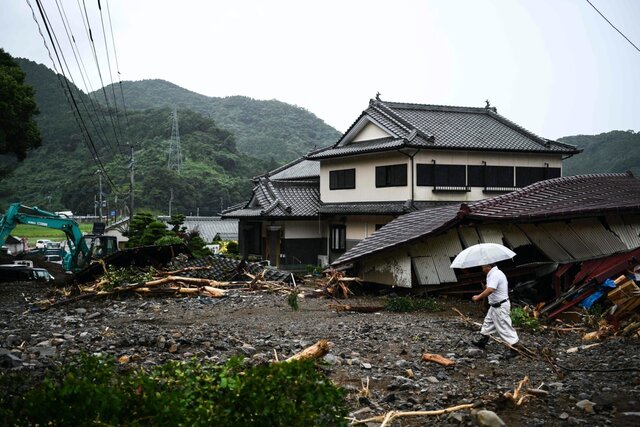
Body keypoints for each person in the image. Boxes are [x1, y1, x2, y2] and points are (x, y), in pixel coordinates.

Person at [471, 264, 519, 354]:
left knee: (504, 327)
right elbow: (489, 287)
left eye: (483, 267)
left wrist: (478, 297)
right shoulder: (493, 274)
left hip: (500, 306)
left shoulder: (495, 274)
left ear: (488, 266)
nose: (482, 270)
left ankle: (515, 348)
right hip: (495, 305)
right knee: (488, 323)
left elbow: (490, 290)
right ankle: (482, 342)